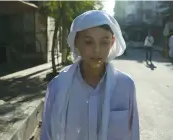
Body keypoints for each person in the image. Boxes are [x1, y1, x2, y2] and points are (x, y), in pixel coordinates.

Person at [40, 10, 139, 140]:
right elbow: (47, 135)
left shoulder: (125, 85)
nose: (97, 50)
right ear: (76, 42)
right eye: (88, 42)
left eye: (104, 42)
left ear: (112, 42)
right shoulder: (57, 87)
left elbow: (134, 133)